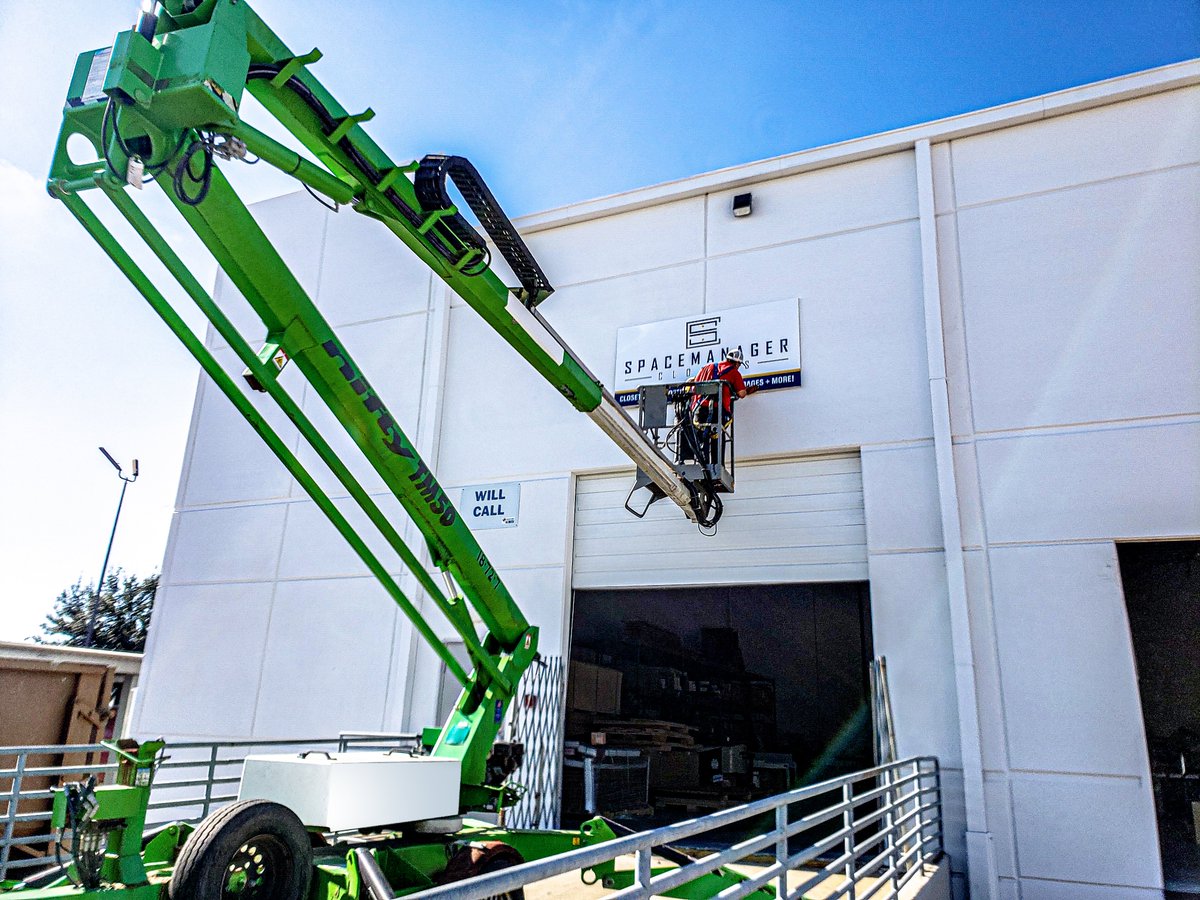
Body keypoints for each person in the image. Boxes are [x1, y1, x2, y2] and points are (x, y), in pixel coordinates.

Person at [682, 348, 758, 465]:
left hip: (698, 410)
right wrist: (747, 391)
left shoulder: (706, 368)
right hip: (718, 411)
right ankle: (717, 465)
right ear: (737, 363)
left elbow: (693, 385)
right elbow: (741, 393)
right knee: (717, 435)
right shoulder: (734, 372)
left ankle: (703, 465)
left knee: (703, 436)